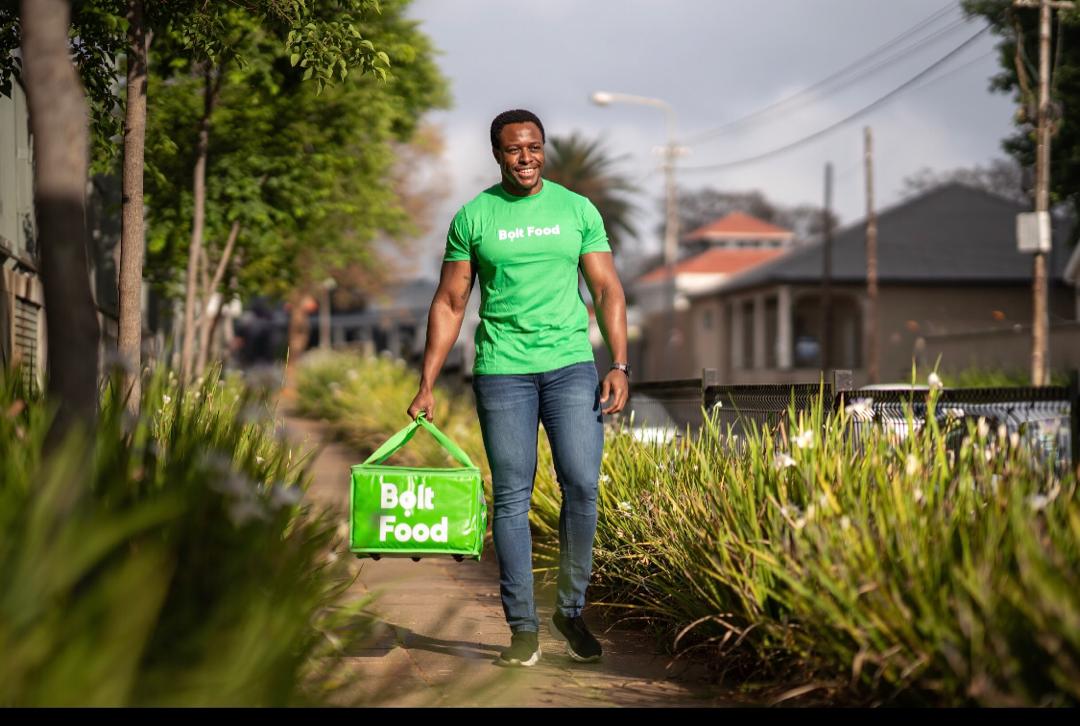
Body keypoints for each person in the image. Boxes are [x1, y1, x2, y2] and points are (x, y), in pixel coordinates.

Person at [407, 109, 630, 667]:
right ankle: (523, 629)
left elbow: (606, 290)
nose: (525, 157)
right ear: (497, 154)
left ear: (543, 149)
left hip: (570, 364)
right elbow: (450, 303)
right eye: (514, 149)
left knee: (581, 484)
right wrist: (427, 381)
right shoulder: (474, 217)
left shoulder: (576, 210)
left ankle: (570, 610)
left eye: (533, 147)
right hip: (502, 369)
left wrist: (619, 363)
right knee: (511, 495)